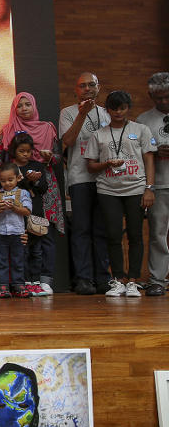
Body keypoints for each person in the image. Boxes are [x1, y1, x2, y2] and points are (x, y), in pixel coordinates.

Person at [86, 90, 155, 297]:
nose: (118, 112)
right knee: (113, 235)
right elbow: (91, 166)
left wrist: (149, 189)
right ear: (107, 110)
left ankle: (133, 281)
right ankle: (117, 280)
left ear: (128, 108)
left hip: (135, 188)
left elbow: (149, 160)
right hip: (108, 190)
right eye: (114, 108)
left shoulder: (141, 129)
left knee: (135, 235)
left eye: (122, 108)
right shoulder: (98, 134)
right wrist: (107, 163)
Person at [0, 92, 64, 295]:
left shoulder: (47, 128)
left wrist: (49, 157)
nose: (24, 109)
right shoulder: (7, 130)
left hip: (45, 186)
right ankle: (22, 281)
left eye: (27, 105)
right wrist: (6, 179)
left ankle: (45, 280)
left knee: (44, 233)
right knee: (22, 236)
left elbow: (57, 157)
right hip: (16, 188)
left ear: (34, 106)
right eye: (19, 106)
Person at [59, 72, 113, 296]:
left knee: (101, 230)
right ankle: (83, 278)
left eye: (92, 85)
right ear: (76, 90)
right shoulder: (68, 113)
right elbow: (68, 141)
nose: (88, 89)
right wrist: (82, 114)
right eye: (83, 86)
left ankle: (103, 278)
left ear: (98, 88)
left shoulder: (107, 114)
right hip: (80, 178)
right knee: (81, 229)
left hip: (105, 180)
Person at [137, 72, 169, 296]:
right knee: (158, 233)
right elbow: (135, 155)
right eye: (159, 98)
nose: (164, 101)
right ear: (151, 96)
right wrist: (154, 151)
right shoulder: (143, 120)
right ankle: (158, 279)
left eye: (168, 97)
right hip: (158, 184)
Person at [9, 133, 49, 296]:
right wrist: (28, 181)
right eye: (21, 151)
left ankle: (36, 282)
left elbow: (44, 188)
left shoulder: (38, 166)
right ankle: (23, 282)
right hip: (18, 216)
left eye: (28, 151)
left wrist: (36, 181)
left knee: (37, 251)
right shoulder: (11, 168)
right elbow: (12, 188)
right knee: (22, 251)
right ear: (14, 151)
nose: (26, 154)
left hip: (36, 215)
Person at [0, 162, 32, 298]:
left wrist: (13, 207)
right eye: (3, 181)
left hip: (17, 231)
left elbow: (27, 211)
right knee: (1, 260)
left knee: (18, 260)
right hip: (0, 232)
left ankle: (18, 285)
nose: (7, 183)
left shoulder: (23, 193)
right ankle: (2, 286)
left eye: (10, 180)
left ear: (18, 178)